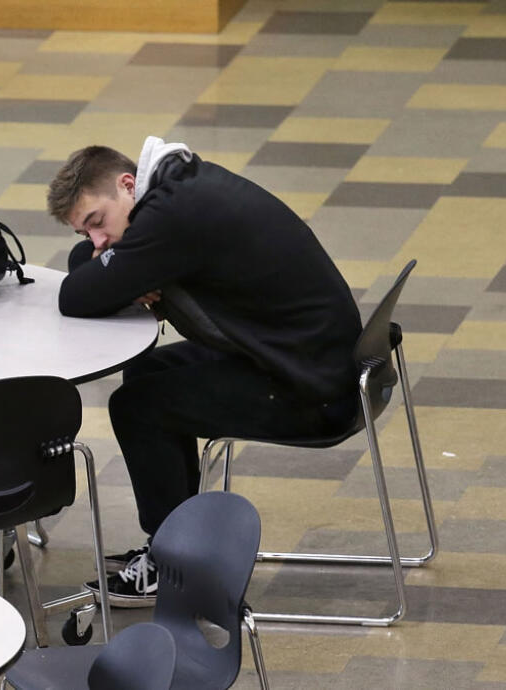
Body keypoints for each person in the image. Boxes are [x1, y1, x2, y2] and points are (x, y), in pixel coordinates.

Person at [49, 137, 362, 607]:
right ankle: (178, 544)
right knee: (148, 375)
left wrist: (126, 274)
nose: (97, 240)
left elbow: (75, 295)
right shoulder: (180, 188)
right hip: (299, 359)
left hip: (311, 391)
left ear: (127, 184)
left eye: (98, 222)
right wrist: (127, 271)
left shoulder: (174, 215)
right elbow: (85, 273)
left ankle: (171, 567)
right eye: (85, 233)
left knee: (137, 408)